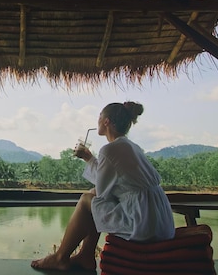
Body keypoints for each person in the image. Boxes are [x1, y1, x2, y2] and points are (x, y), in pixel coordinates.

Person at [31, 101, 175, 271]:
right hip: (161, 221)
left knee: (87, 199)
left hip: (144, 224)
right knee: (93, 195)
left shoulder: (110, 149)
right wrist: (88, 158)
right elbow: (109, 182)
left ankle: (60, 257)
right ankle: (86, 255)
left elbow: (103, 192)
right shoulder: (132, 147)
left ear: (106, 121)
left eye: (99, 117)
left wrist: (89, 159)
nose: (97, 121)